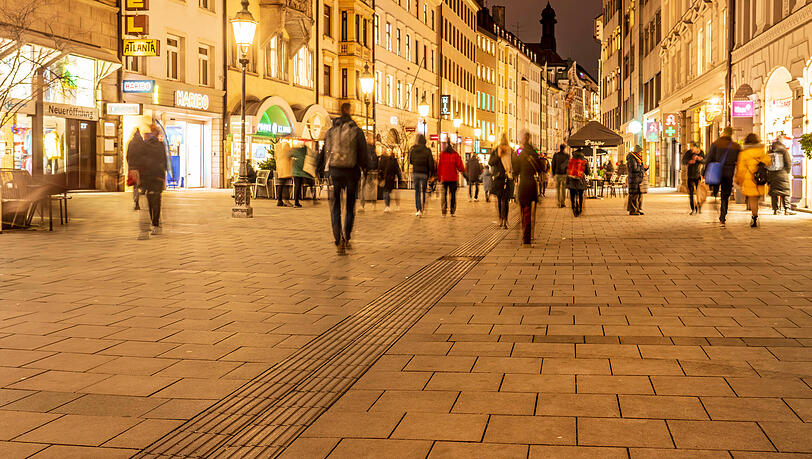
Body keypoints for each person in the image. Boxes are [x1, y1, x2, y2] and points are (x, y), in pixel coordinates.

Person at [323, 103, 370, 254]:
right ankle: (347, 237)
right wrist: (366, 168)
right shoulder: (356, 130)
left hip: (335, 172)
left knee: (336, 206)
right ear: (351, 111)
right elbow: (363, 154)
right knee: (350, 206)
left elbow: (324, 152)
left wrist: (321, 171)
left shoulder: (331, 131)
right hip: (351, 173)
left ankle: (338, 239)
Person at [137, 123, 169, 239]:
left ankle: (153, 223)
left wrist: (141, 176)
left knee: (150, 200)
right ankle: (156, 224)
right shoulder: (161, 146)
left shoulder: (144, 145)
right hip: (158, 176)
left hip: (148, 176)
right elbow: (165, 162)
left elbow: (140, 161)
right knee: (156, 200)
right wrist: (163, 172)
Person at [706, 127, 742, 226]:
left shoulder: (716, 144)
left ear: (723, 133)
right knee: (725, 195)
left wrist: (704, 173)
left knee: (715, 191)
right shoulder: (735, 146)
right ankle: (723, 215)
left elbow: (709, 158)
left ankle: (715, 194)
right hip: (728, 173)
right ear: (731, 134)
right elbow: (739, 160)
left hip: (716, 172)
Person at [736, 133, 771, 228]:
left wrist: (739, 180)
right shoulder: (761, 151)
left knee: (753, 199)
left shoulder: (743, 153)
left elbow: (741, 168)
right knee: (757, 198)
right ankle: (755, 213)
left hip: (749, 178)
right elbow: (768, 162)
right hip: (760, 178)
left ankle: (754, 217)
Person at [516, 133, 542, 244]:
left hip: (523, 184)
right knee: (532, 212)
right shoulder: (534, 153)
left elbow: (515, 170)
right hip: (532, 184)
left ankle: (525, 233)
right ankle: (530, 234)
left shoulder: (520, 154)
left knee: (523, 210)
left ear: (523, 140)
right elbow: (540, 168)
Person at [489, 134, 515, 228]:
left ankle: (503, 219)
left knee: (504, 200)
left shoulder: (510, 151)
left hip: (505, 178)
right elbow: (490, 162)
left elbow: (514, 163)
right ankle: (503, 219)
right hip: (501, 178)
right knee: (502, 200)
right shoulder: (497, 150)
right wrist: (498, 156)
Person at [767, 136, 794, 215]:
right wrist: (787, 171)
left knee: (774, 192)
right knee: (785, 191)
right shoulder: (784, 150)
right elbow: (788, 162)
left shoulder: (770, 151)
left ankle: (776, 209)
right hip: (782, 173)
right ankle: (787, 209)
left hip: (772, 173)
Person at [409, 134, 434, 217]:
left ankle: (418, 209)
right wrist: (431, 174)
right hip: (424, 173)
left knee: (417, 192)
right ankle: (423, 207)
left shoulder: (413, 150)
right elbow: (431, 163)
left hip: (416, 172)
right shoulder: (427, 151)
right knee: (423, 191)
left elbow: (411, 161)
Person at [437, 143, 465, 216]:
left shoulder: (442, 155)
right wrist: (462, 171)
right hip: (453, 178)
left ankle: (444, 211)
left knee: (444, 194)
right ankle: (452, 211)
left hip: (445, 178)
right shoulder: (455, 155)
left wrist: (439, 177)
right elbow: (460, 166)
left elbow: (439, 166)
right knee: (452, 195)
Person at [682, 141, 705, 215]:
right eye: (691, 147)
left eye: (693, 147)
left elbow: (705, 161)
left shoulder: (701, 153)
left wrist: (699, 159)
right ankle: (693, 208)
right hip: (690, 175)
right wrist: (689, 161)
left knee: (699, 193)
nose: (691, 149)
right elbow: (683, 161)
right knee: (691, 193)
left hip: (698, 176)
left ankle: (699, 206)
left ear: (697, 147)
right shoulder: (689, 153)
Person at [567, 148, 590, 217]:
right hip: (580, 180)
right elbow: (587, 172)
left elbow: (566, 169)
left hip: (572, 180)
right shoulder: (585, 161)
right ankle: (580, 209)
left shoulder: (570, 160)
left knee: (572, 195)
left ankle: (574, 207)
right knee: (580, 195)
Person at [378, 148, 402, 212]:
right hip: (388, 178)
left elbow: (397, 170)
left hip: (389, 178)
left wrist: (400, 178)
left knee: (387, 192)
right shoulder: (389, 160)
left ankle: (388, 206)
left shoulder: (392, 160)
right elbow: (380, 168)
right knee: (387, 192)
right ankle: (388, 205)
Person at [626, 145, 648, 215]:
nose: (641, 153)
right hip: (634, 180)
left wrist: (645, 168)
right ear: (637, 152)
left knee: (639, 195)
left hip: (638, 179)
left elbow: (639, 168)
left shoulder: (637, 158)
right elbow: (634, 169)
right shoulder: (632, 158)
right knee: (634, 195)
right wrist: (642, 167)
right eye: (640, 152)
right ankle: (633, 210)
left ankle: (637, 209)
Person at [126, 128, 144, 211]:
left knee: (135, 186)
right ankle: (142, 190)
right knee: (140, 183)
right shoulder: (143, 143)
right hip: (141, 168)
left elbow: (127, 156)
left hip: (133, 167)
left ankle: (136, 202)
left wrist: (129, 165)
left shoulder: (131, 143)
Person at [551, 143, 570, 208]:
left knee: (558, 188)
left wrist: (553, 173)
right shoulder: (567, 156)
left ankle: (558, 202)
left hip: (557, 174)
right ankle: (563, 202)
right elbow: (568, 165)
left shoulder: (556, 155)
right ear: (564, 148)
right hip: (564, 174)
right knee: (563, 189)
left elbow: (553, 164)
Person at [275, 142, 292, 207]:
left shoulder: (278, 151)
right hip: (286, 170)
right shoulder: (286, 151)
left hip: (280, 170)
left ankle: (279, 200)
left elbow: (276, 158)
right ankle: (286, 200)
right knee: (285, 186)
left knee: (280, 185)